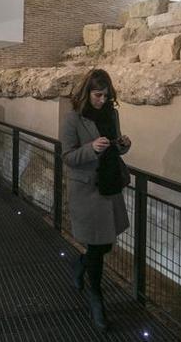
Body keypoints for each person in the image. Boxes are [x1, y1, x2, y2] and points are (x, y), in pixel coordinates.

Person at [60, 68, 131, 332]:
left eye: (106, 95)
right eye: (98, 95)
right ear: (87, 93)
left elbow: (115, 146)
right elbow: (67, 156)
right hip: (87, 191)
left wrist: (122, 144)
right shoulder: (73, 119)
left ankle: (80, 264)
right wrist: (91, 149)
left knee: (104, 245)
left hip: (109, 184)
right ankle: (96, 297)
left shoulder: (112, 114)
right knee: (98, 245)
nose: (102, 100)